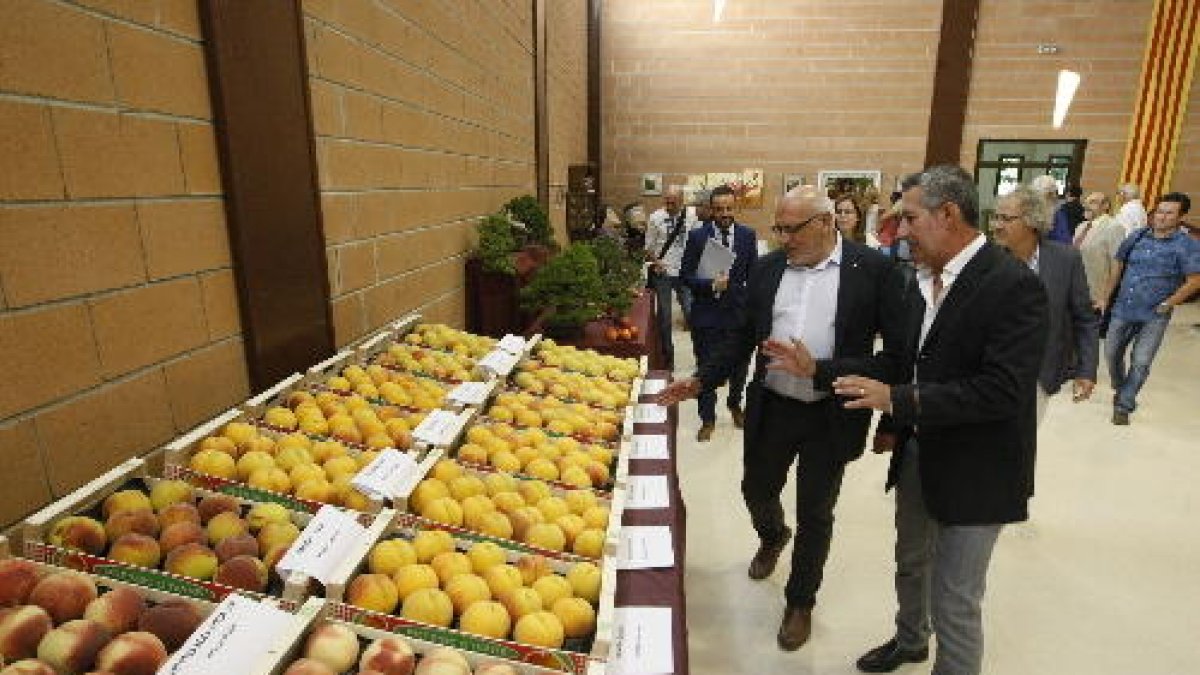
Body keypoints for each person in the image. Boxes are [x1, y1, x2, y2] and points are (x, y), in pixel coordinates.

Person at [655, 186, 906, 650]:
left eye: (793, 229)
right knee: (757, 490)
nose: (783, 238)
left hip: (832, 412)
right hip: (773, 405)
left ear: (827, 223)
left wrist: (822, 371)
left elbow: (897, 356)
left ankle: (800, 601)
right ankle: (773, 536)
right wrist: (701, 380)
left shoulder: (873, 271)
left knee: (816, 513)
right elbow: (741, 337)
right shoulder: (769, 269)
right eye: (779, 228)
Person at [832, 166, 1048, 675]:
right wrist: (819, 370)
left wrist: (899, 402)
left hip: (979, 471)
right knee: (911, 564)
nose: (899, 231)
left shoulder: (1012, 284)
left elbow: (1002, 391)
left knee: (955, 599)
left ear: (948, 214)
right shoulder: (919, 282)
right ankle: (910, 640)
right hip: (920, 455)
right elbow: (899, 363)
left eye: (908, 218)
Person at [990, 185, 1098, 425]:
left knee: (1021, 444)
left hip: (1041, 375)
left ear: (1032, 221)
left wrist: (1086, 369)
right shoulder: (986, 261)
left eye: (1006, 219)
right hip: (989, 375)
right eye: (995, 217)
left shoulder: (1065, 259)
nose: (996, 225)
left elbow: (1085, 318)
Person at [1101, 192, 1200, 425]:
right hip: (1123, 307)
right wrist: (1106, 296)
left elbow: (1195, 280)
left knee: (1141, 361)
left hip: (1155, 314)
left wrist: (1169, 303)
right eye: (1159, 211)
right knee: (1110, 352)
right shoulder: (1137, 237)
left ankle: (1124, 404)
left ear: (1180, 217)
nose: (1162, 217)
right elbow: (1118, 262)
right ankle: (1121, 385)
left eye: (1169, 213)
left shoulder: (1187, 246)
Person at [679, 185, 759, 441]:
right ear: (711, 210)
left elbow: (754, 274)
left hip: (739, 315)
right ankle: (707, 418)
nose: (724, 213)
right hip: (707, 315)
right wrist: (710, 285)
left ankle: (735, 404)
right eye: (719, 209)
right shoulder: (698, 237)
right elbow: (686, 276)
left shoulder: (748, 235)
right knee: (706, 367)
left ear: (735, 208)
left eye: (728, 208)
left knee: (739, 367)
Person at [644, 186, 698, 368]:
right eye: (666, 201)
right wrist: (656, 262)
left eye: (673, 202)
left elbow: (698, 242)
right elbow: (648, 248)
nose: (669, 205)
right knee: (665, 317)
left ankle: (702, 355)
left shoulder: (692, 215)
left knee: (692, 314)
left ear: (682, 201)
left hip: (685, 272)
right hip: (663, 273)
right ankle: (667, 359)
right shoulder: (655, 218)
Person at [1073, 191, 1126, 310]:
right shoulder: (1080, 227)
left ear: (1106, 205)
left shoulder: (1114, 228)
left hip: (1095, 297)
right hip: (1075, 291)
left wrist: (1105, 298)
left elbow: (1116, 266)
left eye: (1092, 202)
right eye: (1085, 203)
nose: (1086, 206)